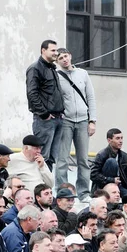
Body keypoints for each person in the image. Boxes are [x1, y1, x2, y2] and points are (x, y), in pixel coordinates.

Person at [54, 48, 96, 201]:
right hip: (65, 121)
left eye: (65, 56)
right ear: (57, 61)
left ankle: (84, 192)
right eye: (60, 58)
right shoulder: (57, 76)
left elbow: (90, 97)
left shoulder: (82, 73)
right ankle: (62, 192)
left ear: (70, 56)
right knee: (62, 159)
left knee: (83, 159)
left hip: (83, 120)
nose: (64, 59)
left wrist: (93, 120)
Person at [26, 39, 64, 171]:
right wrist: (44, 113)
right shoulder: (35, 68)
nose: (56, 53)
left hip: (58, 118)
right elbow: (32, 93)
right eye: (53, 50)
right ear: (43, 50)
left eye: (56, 50)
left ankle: (46, 189)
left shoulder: (51, 68)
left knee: (51, 158)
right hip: (45, 120)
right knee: (42, 157)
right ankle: (39, 188)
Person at [91, 128, 127, 194]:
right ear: (109, 140)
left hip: (119, 186)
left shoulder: (125, 156)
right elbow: (93, 175)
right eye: (117, 138)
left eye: (121, 138)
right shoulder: (101, 155)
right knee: (111, 162)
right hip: (103, 187)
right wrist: (112, 180)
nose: (121, 141)